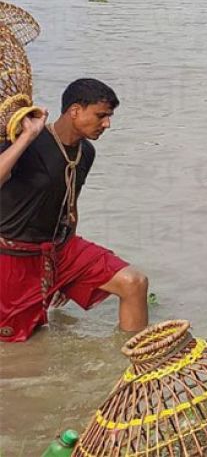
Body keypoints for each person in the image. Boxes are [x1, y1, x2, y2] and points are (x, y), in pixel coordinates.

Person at [0, 79, 148, 342]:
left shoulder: (86, 152)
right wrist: (26, 137)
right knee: (19, 344)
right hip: (14, 255)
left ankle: (134, 369)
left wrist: (66, 275)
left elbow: (70, 202)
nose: (107, 124)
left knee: (133, 283)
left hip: (61, 249)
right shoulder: (26, 142)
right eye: (101, 115)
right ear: (75, 110)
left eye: (109, 117)